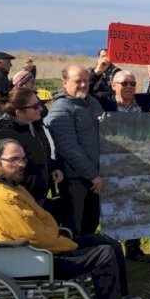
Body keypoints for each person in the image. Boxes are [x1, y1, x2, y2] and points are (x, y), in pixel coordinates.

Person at [0, 139, 141, 299]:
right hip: (38, 258)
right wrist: (68, 244)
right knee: (104, 253)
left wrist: (62, 237)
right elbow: (33, 236)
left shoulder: (7, 188)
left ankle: (118, 298)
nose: (21, 164)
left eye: (23, 159)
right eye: (14, 159)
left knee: (107, 241)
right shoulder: (2, 197)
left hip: (41, 249)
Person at [98, 70, 150, 262]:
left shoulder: (144, 102)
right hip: (113, 165)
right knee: (117, 206)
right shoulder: (104, 104)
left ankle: (133, 248)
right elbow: (86, 91)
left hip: (140, 162)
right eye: (124, 83)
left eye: (132, 83)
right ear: (113, 85)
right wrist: (98, 70)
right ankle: (112, 250)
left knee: (136, 204)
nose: (129, 87)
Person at [44, 65, 104, 236]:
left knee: (91, 221)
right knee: (74, 224)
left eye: (85, 81)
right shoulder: (61, 109)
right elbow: (69, 148)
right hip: (75, 178)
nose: (84, 85)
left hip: (95, 177)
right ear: (65, 82)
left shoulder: (92, 103)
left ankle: (92, 256)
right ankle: (75, 259)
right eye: (78, 81)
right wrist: (92, 175)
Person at [0, 87, 63, 208]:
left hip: (36, 198)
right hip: (18, 202)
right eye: (35, 106)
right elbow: (2, 173)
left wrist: (52, 167)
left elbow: (39, 155)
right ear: (19, 112)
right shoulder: (2, 134)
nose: (40, 109)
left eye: (39, 103)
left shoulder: (33, 125)